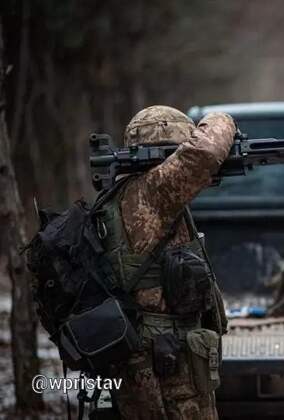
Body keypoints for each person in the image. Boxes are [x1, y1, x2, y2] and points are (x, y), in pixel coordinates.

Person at [101, 105, 236, 419]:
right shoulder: (154, 190)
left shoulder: (124, 192)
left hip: (149, 348)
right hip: (165, 353)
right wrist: (222, 118)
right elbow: (204, 152)